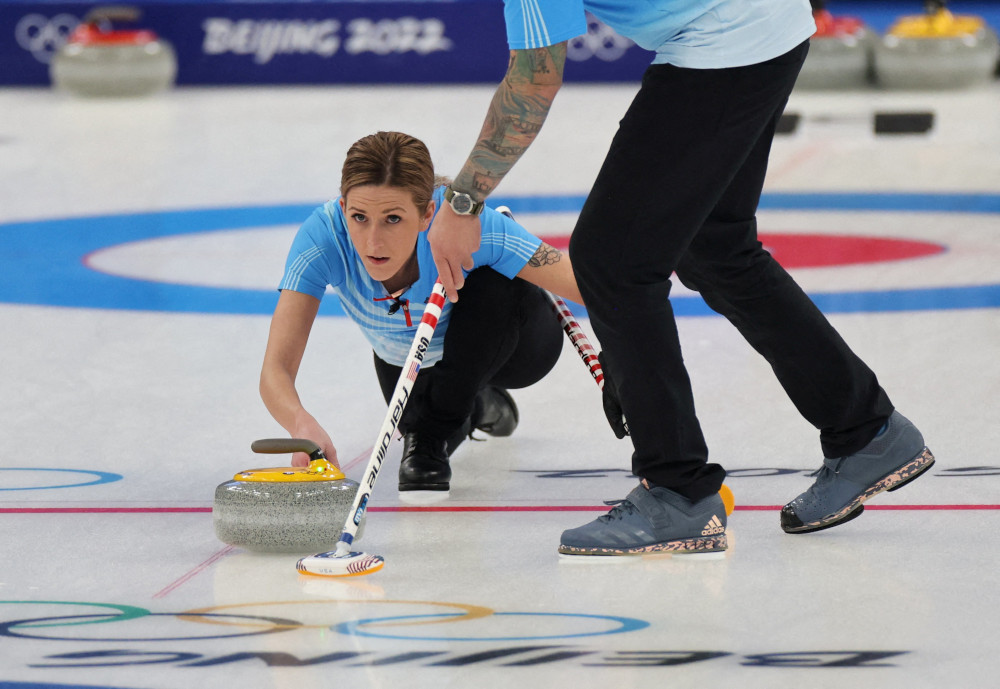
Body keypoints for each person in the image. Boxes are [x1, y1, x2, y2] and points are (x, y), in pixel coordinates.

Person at [427, 1, 934, 555]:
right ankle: (866, 430)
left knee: (612, 263)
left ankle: (677, 491)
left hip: (725, 40)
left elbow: (534, 80)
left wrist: (463, 201)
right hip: (771, 22)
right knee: (714, 244)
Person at [260, 131, 582, 501]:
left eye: (393, 219)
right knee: (427, 413)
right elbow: (276, 368)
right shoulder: (323, 237)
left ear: (428, 212)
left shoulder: (467, 221)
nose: (372, 242)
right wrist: (300, 424)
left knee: (492, 284)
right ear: (343, 205)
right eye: (359, 217)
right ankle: (475, 403)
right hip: (409, 360)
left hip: (517, 347)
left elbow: (588, 287)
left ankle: (448, 414)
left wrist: (628, 368)